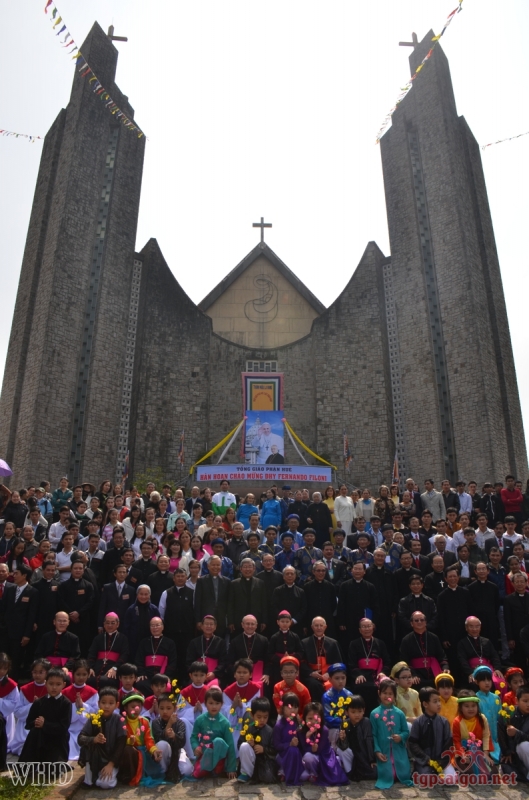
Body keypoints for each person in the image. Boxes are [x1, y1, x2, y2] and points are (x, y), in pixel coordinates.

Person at [18, 667, 70, 767]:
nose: (54, 687)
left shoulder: (66, 704)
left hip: (57, 741)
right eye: (51, 684)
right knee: (34, 732)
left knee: (52, 770)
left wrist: (45, 724)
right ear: (45, 683)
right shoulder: (39, 702)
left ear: (63, 685)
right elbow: (28, 723)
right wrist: (36, 722)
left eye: (58, 684)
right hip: (39, 739)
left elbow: (64, 727)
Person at [78, 686, 127, 788]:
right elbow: (80, 738)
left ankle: (111, 773)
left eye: (111, 703)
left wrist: (111, 764)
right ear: (98, 703)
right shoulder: (94, 718)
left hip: (111, 759)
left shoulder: (119, 720)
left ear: (117, 705)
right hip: (95, 758)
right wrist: (93, 739)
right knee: (88, 746)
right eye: (103, 703)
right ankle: (89, 780)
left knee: (106, 784)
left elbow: (121, 744)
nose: (106, 706)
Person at [370, 678, 412, 789]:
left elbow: (406, 731)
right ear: (379, 693)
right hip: (383, 751)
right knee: (388, 775)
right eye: (384, 693)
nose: (387, 696)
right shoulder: (374, 714)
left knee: (403, 775)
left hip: (398, 751)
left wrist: (401, 737)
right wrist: (377, 751)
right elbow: (374, 735)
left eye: (390, 694)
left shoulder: (399, 713)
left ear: (394, 696)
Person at [188, 686, 237, 780]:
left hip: (220, 758)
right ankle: (207, 767)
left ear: (222, 704)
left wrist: (231, 768)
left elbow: (230, 745)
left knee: (218, 741)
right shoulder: (200, 720)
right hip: (205, 755)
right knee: (197, 774)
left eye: (217, 703)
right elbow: (194, 737)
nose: (214, 706)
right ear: (205, 704)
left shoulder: (225, 723)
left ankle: (217, 768)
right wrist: (196, 747)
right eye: (211, 703)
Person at [158, 568, 195, 685]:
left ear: (186, 578)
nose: (180, 578)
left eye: (182, 576)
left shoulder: (192, 593)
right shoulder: (166, 593)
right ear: (173, 578)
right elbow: (161, 612)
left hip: (187, 633)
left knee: (185, 657)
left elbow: (195, 611)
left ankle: (185, 681)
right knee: (172, 658)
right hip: (171, 632)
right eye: (178, 576)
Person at [118, 693, 165, 786]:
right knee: (128, 749)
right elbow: (118, 740)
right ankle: (128, 776)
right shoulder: (121, 721)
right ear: (126, 708)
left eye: (138, 707)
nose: (136, 709)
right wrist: (129, 742)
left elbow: (149, 739)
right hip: (129, 754)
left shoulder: (145, 721)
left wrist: (154, 750)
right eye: (132, 707)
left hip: (143, 752)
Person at [298, 700, 348, 785]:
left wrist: (314, 749)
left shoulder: (324, 730)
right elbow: (303, 749)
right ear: (304, 718)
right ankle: (313, 772)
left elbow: (320, 749)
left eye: (316, 719)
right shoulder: (301, 730)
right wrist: (307, 738)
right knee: (307, 759)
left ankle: (315, 774)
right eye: (310, 719)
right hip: (308, 761)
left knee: (310, 758)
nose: (313, 722)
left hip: (324, 757)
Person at [408, 687, 455, 778]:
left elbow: (448, 743)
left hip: (441, 761)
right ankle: (419, 769)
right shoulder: (418, 722)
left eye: (439, 701)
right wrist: (426, 759)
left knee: (451, 779)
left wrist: (441, 761)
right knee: (427, 778)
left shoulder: (444, 722)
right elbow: (413, 743)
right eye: (435, 701)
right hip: (424, 761)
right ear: (425, 704)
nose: (439, 704)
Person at [2, 564, 38, 677]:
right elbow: (3, 609)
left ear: (24, 575)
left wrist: (27, 635)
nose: (14, 575)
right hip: (5, 631)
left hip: (20, 634)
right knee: (3, 659)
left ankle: (13, 683)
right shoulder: (10, 589)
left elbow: (31, 615)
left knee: (16, 660)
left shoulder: (32, 592)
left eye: (16, 573)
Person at [347, 618, 390, 712]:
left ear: (373, 627)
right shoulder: (354, 644)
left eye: (369, 626)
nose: (367, 629)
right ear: (360, 630)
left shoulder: (380, 643)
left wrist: (383, 672)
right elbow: (351, 663)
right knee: (361, 687)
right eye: (364, 627)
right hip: (361, 676)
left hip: (376, 675)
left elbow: (387, 662)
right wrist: (358, 674)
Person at [222, 658, 262, 752]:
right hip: (233, 723)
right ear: (234, 674)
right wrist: (234, 705)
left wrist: (241, 705)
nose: (241, 675)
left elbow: (255, 707)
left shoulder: (255, 689)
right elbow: (224, 711)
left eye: (245, 672)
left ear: (250, 675)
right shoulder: (228, 691)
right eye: (239, 672)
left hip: (249, 723)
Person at [151, 693, 193, 782]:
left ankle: (172, 770)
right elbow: (158, 738)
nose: (165, 711)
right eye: (162, 708)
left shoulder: (180, 723)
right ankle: (164, 770)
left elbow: (182, 742)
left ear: (175, 708)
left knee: (187, 770)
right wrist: (169, 724)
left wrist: (174, 736)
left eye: (168, 708)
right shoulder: (156, 722)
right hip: (163, 754)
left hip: (177, 751)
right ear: (158, 708)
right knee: (162, 744)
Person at [400, 611, 449, 687]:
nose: (419, 622)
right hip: (417, 675)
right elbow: (405, 661)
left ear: (426, 622)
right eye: (416, 620)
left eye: (422, 620)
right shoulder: (406, 640)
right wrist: (412, 675)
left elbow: (441, 656)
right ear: (411, 623)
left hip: (434, 673)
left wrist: (445, 667)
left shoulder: (434, 637)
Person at [63, 659, 99, 760]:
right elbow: (62, 712)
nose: (81, 677)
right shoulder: (65, 692)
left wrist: (83, 706)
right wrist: (76, 707)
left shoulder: (93, 692)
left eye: (84, 674)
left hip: (85, 727)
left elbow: (96, 712)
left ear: (88, 675)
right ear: (73, 674)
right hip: (70, 727)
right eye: (78, 674)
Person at [452, 689, 493, 777]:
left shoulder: (482, 718)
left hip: (480, 750)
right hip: (464, 750)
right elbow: (456, 741)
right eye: (467, 706)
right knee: (467, 772)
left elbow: (486, 736)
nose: (471, 709)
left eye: (473, 706)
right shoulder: (457, 721)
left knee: (493, 772)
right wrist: (463, 755)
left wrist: (486, 754)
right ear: (461, 708)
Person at [237, 696, 277, 783]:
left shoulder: (270, 731)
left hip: (263, 763)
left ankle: (257, 776)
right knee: (244, 746)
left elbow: (274, 750)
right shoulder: (248, 728)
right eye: (259, 717)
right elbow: (239, 745)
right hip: (250, 761)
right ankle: (246, 773)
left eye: (265, 717)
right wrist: (249, 744)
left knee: (269, 777)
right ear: (252, 715)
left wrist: (264, 750)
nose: (262, 720)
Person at [337, 562, 378, 648]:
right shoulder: (344, 586)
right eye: (355, 569)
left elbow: (375, 605)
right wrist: (341, 622)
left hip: (365, 621)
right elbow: (341, 605)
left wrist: (373, 621)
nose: (357, 571)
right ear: (351, 571)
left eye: (360, 569)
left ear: (364, 571)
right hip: (349, 621)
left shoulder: (370, 586)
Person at [337, 694, 376, 781]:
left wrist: (372, 760)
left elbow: (369, 740)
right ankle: (349, 771)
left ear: (364, 711)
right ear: (347, 712)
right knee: (341, 751)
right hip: (351, 755)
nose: (357, 715)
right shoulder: (345, 723)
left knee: (375, 772)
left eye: (359, 711)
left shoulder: (365, 722)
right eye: (353, 712)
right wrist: (343, 739)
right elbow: (343, 746)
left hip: (363, 755)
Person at [135, 617, 177, 693]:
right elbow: (139, 660)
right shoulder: (144, 642)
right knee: (141, 684)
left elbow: (173, 662)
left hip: (163, 675)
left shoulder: (170, 643)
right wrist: (142, 673)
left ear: (163, 627)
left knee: (167, 686)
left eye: (157, 625)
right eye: (152, 626)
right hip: (147, 675)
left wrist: (166, 675)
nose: (155, 628)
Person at [497, 683, 529, 781]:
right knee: (510, 770)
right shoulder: (508, 713)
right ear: (517, 700)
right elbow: (501, 734)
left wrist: (517, 733)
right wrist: (506, 751)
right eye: (525, 701)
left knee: (524, 745)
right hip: (512, 754)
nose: (528, 704)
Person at [272, 691, 304, 785]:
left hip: (296, 756)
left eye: (295, 707)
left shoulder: (297, 723)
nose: (293, 710)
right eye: (290, 707)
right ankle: (284, 771)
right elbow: (276, 745)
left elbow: (302, 742)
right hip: (282, 755)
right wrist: (289, 744)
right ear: (283, 707)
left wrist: (301, 728)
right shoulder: (279, 725)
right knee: (292, 750)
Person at [195, 556, 231, 637]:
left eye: (218, 565)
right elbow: (198, 602)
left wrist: (229, 621)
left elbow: (229, 602)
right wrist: (198, 620)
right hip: (206, 618)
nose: (216, 567)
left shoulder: (227, 581)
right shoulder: (201, 581)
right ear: (208, 566)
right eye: (213, 565)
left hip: (221, 619)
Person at [228, 558, 267, 634]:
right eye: (245, 567)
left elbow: (264, 603)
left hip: (256, 619)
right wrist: (230, 621)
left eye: (250, 567)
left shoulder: (260, 583)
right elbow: (230, 604)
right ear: (241, 569)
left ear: (254, 568)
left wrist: (264, 621)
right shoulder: (234, 584)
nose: (247, 569)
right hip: (238, 620)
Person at [185, 615, 227, 685]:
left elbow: (223, 661)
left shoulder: (221, 642)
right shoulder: (194, 642)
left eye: (211, 624)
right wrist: (197, 674)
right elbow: (189, 661)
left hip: (214, 675)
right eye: (206, 624)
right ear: (201, 626)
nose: (209, 626)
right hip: (197, 675)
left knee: (215, 687)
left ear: (215, 627)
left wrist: (214, 673)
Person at [227, 615, 269, 684]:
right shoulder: (235, 641)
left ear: (256, 625)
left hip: (258, 672)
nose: (250, 626)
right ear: (242, 625)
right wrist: (236, 674)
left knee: (264, 683)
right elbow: (230, 661)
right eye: (247, 624)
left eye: (252, 624)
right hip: (240, 673)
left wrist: (266, 674)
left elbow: (268, 660)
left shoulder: (264, 640)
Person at [473, 665, 502, 764]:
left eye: (489, 680)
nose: (487, 683)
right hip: (483, 736)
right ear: (477, 682)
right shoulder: (475, 699)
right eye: (483, 680)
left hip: (496, 735)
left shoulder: (496, 698)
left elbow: (500, 717)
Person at [267, 612, 304, 688]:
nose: (285, 624)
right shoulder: (274, 637)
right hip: (278, 665)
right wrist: (281, 659)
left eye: (287, 622)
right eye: (282, 621)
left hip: (292, 663)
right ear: (278, 622)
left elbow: (301, 651)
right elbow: (270, 653)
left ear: (290, 622)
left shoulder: (295, 636)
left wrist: (290, 658)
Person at [321, 662, 353, 746]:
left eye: (343, 678)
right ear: (330, 679)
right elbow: (327, 717)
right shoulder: (327, 696)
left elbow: (353, 713)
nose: (340, 681)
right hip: (333, 728)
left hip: (348, 726)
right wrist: (342, 721)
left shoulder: (349, 695)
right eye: (337, 678)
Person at [391, 662, 420, 728]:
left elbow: (419, 712)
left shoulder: (415, 693)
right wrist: (408, 719)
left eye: (410, 676)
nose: (408, 679)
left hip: (416, 725)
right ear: (396, 680)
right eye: (404, 677)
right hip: (399, 725)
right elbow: (393, 714)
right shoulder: (394, 693)